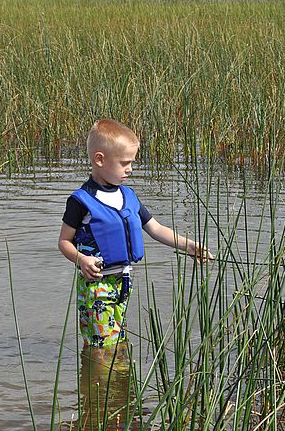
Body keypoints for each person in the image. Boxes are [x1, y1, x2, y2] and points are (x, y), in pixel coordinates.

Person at [58, 118, 212, 349]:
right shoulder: (81, 201)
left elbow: (156, 229)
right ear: (100, 159)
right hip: (97, 286)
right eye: (124, 163)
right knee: (101, 348)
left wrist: (189, 246)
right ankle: (99, 381)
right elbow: (64, 242)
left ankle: (114, 381)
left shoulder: (129, 196)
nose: (130, 168)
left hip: (123, 282)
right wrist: (81, 259)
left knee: (118, 344)